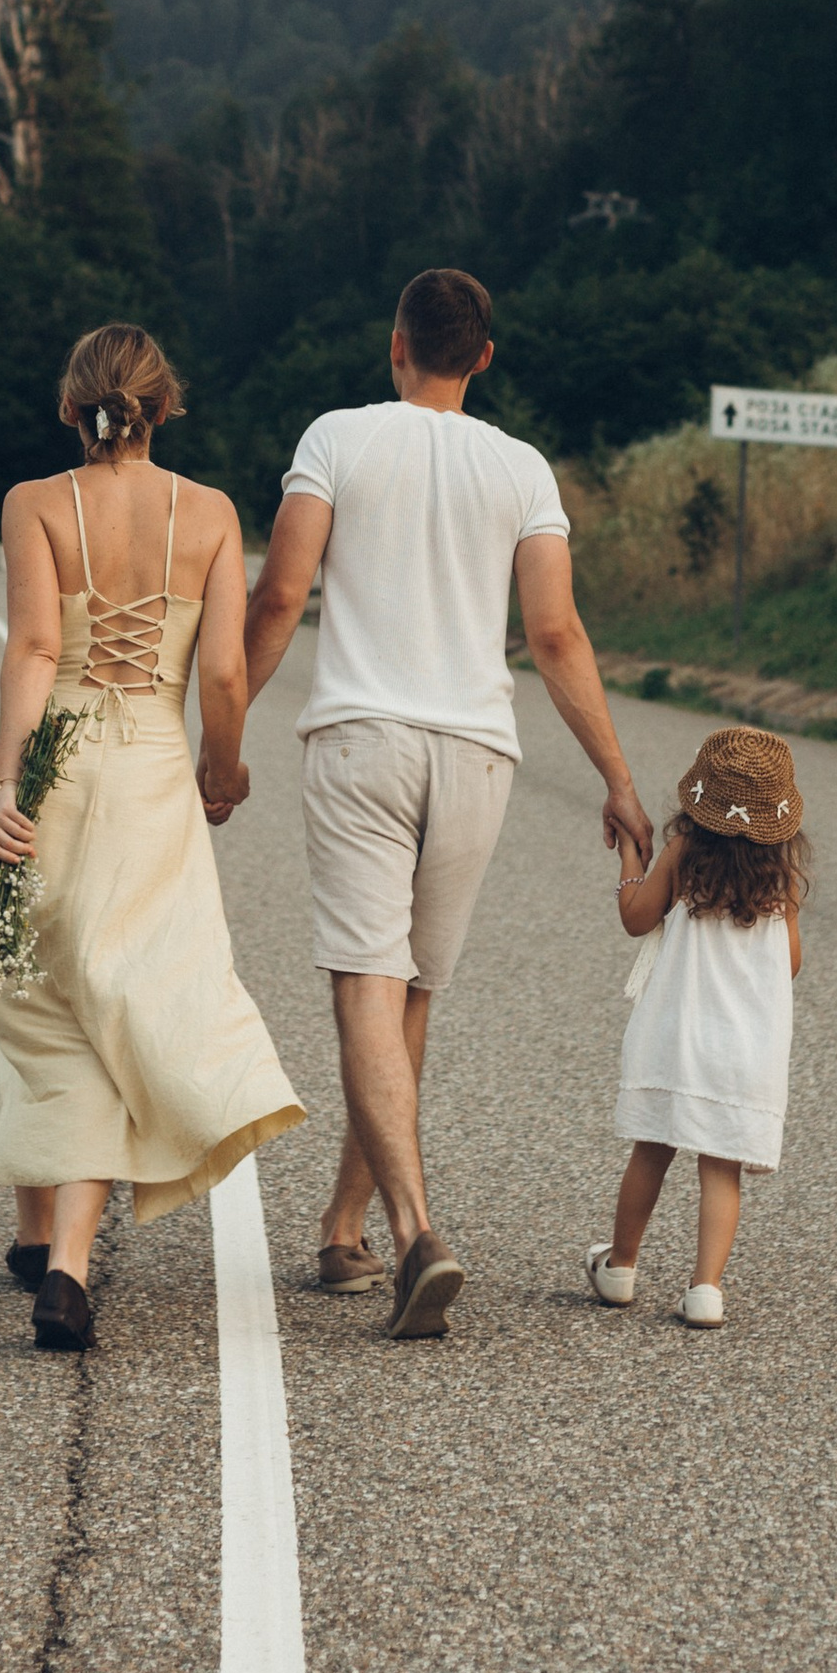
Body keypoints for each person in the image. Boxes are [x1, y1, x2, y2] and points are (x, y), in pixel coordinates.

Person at [238, 266, 655, 1342]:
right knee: (412, 993)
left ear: (395, 346)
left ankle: (418, 1226)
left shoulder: (335, 438)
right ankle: (343, 1225)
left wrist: (220, 737)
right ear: (483, 355)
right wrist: (614, 777)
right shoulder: (520, 469)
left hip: (363, 743)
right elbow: (554, 634)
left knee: (367, 988)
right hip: (475, 758)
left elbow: (282, 592)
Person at [0, 322, 304, 1354]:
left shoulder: (35, 504)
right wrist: (224, 764)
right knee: (119, 985)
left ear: (73, 408)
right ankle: (59, 1258)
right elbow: (227, 674)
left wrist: (8, 785)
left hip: (53, 759)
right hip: (151, 767)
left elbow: (30, 647)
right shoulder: (207, 513)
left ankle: (52, 1249)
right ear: (166, 406)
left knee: (39, 989)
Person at [588, 725, 805, 1331]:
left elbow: (636, 918)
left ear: (699, 799)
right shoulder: (781, 880)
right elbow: (788, 964)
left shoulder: (684, 853)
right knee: (721, 1167)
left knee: (652, 1150)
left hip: (677, 1037)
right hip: (743, 1051)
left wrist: (633, 856)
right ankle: (705, 1289)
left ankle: (621, 1267)